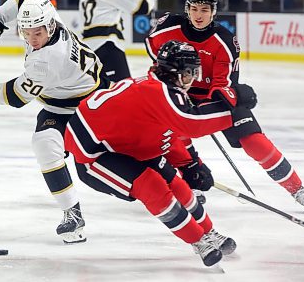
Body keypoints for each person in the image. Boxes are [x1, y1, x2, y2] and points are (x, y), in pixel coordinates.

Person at [64, 41, 258, 266]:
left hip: (129, 143)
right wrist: (232, 106)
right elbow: (192, 124)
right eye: (189, 73)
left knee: (177, 184)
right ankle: (198, 240)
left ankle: (208, 232)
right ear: (173, 73)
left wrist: (190, 163)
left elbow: (167, 134)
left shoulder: (162, 88)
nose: (192, 79)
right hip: (95, 155)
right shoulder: (158, 92)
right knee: (152, 186)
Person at [0, 0, 110, 244]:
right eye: (26, 32)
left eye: (38, 33)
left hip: (94, 105)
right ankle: (73, 214)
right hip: (62, 103)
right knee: (44, 144)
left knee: (116, 155)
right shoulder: (48, 16)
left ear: (50, 26)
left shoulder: (47, 60)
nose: (32, 40)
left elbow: (17, 96)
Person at [145, 0, 304, 213]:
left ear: (214, 11)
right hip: (178, 93)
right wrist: (173, 84)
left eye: (205, 9)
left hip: (214, 98)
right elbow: (153, 49)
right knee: (174, 133)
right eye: (195, 9)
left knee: (254, 141)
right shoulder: (168, 26)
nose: (199, 15)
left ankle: (297, 189)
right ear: (187, 9)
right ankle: (191, 182)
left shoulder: (225, 40)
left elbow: (222, 84)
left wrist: (204, 112)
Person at [78, 0, 159, 82]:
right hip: (108, 46)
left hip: (88, 51)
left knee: (98, 93)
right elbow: (142, 7)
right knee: (123, 90)